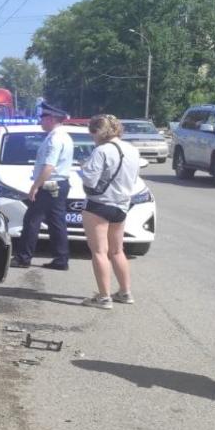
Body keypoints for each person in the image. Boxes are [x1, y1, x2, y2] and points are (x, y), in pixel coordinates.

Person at [78, 114, 142, 309]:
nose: (92, 137)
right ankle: (125, 292)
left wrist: (84, 168)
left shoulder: (102, 151)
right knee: (117, 251)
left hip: (99, 204)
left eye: (92, 133)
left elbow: (90, 180)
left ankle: (104, 297)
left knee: (99, 252)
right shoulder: (132, 150)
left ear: (99, 131)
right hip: (121, 205)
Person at [11, 102, 75, 270]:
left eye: (43, 117)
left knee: (32, 220)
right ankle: (61, 259)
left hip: (49, 185)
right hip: (59, 184)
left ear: (52, 119)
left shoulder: (55, 138)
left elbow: (49, 167)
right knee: (56, 222)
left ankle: (23, 257)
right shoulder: (63, 136)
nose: (41, 120)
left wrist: (35, 187)